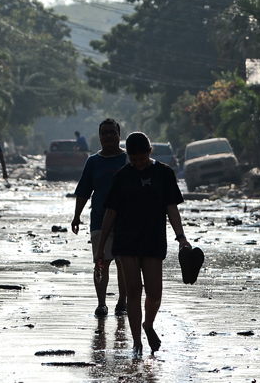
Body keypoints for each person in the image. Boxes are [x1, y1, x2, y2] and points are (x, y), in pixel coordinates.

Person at [96, 131, 191, 357]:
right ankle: (137, 343)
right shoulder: (121, 177)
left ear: (150, 151)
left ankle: (148, 325)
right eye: (133, 159)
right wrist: (100, 248)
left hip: (153, 238)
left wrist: (182, 238)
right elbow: (111, 213)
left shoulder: (164, 173)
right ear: (127, 155)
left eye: (142, 158)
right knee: (133, 292)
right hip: (126, 240)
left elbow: (172, 208)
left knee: (155, 293)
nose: (138, 163)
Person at [71, 119, 128, 317]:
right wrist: (77, 216)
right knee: (100, 262)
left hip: (125, 222)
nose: (109, 136)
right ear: (99, 137)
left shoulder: (129, 160)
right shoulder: (93, 161)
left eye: (113, 132)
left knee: (123, 263)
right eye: (105, 133)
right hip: (98, 219)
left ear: (119, 135)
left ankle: (122, 302)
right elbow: (84, 191)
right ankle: (101, 303)